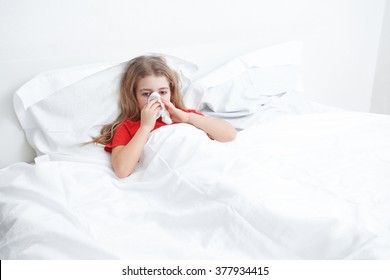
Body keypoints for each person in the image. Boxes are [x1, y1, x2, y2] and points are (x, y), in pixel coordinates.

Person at [91, 55, 236, 178]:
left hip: (207, 165)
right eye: (146, 94)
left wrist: (188, 118)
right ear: (133, 95)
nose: (156, 99)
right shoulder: (128, 127)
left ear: (171, 91)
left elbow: (229, 134)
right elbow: (122, 170)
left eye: (163, 92)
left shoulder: (185, 115)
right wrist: (145, 127)